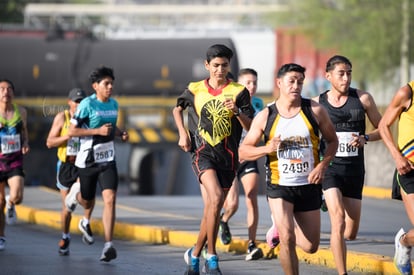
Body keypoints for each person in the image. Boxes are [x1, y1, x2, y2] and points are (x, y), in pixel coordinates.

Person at [239, 63, 338, 275]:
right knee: (287, 238)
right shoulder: (266, 115)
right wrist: (267, 148)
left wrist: (322, 165)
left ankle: (284, 223)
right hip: (279, 186)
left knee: (311, 247)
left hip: (308, 185)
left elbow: (332, 141)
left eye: (300, 82)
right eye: (291, 81)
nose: (296, 85)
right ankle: (282, 226)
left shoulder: (314, 110)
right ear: (279, 83)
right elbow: (244, 151)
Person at [172, 44, 254, 275]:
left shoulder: (239, 91)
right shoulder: (195, 88)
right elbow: (177, 109)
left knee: (213, 208)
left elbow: (251, 126)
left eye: (224, 65)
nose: (220, 70)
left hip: (228, 157)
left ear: (230, 66)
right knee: (216, 198)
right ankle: (213, 257)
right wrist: (182, 133)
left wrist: (237, 112)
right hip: (202, 152)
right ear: (207, 66)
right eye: (215, 65)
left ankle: (195, 255)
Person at [313, 55, 382, 275]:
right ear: (328, 76)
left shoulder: (363, 99)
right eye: (341, 73)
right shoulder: (317, 103)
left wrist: (366, 138)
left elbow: (384, 130)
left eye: (349, 72)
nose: (346, 78)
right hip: (330, 168)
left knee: (350, 233)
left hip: (354, 170)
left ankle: (339, 234)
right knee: (338, 221)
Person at [64, 66, 129, 262]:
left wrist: (120, 134)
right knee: (88, 201)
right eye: (106, 84)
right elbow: (71, 132)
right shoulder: (86, 105)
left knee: (110, 199)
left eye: (111, 84)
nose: (110, 87)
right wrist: (97, 132)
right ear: (95, 86)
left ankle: (108, 245)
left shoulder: (114, 104)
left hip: (108, 159)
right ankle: (76, 195)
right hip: (87, 160)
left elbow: (111, 127)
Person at [219, 68, 264, 261]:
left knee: (252, 196)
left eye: (254, 82)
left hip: (248, 157)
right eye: (248, 83)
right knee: (233, 204)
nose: (252, 86)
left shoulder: (259, 104)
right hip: (230, 157)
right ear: (239, 84)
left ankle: (251, 243)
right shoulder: (228, 99)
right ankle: (223, 220)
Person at [46, 88, 95, 256]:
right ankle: (65, 236)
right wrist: (67, 136)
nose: (79, 105)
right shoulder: (62, 118)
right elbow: (50, 142)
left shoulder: (89, 117)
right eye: (76, 102)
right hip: (67, 165)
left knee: (88, 195)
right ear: (69, 103)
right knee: (67, 207)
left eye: (82, 101)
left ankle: (86, 221)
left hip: (84, 163)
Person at [378, 80, 414, 275]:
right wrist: (397, 156)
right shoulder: (407, 93)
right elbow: (383, 126)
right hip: (409, 170)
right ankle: (403, 243)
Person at [0, 79, 30, 251]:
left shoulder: (21, 111)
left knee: (17, 195)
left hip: (15, 159)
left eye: (9, 88)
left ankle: (12, 205)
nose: (6, 92)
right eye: (2, 89)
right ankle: (1, 236)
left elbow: (24, 131)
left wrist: (25, 142)